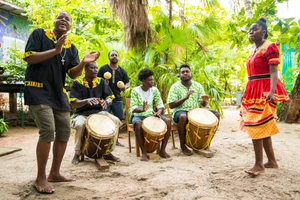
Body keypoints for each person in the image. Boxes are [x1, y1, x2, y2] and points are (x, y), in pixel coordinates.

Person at [22, 11, 100, 194]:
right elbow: (30, 57)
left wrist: (82, 62)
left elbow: (73, 74)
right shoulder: (39, 34)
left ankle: (55, 173)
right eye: (60, 17)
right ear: (55, 22)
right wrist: (56, 50)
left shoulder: (70, 47)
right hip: (38, 90)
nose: (64, 20)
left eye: (68, 19)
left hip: (58, 94)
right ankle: (40, 178)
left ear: (70, 26)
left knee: (64, 131)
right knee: (48, 130)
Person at [241, 18, 290, 177]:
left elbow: (274, 71)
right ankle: (272, 161)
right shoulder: (253, 50)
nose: (251, 32)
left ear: (263, 31)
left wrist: (272, 91)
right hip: (253, 90)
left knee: (255, 125)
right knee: (262, 125)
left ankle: (258, 164)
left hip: (265, 90)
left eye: (254, 29)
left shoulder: (270, 46)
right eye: (250, 30)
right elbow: (252, 74)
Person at [70, 61, 121, 164]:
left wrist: (106, 102)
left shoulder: (101, 81)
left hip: (99, 113)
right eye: (92, 68)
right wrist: (86, 101)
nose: (95, 70)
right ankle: (77, 153)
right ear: (85, 70)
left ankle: (107, 152)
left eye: (96, 68)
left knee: (116, 121)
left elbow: (110, 97)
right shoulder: (77, 83)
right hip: (82, 114)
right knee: (80, 125)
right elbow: (74, 103)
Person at [167, 64, 220, 156]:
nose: (185, 73)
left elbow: (202, 104)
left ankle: (206, 144)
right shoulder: (175, 87)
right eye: (182, 72)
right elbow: (171, 105)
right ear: (179, 75)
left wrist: (204, 101)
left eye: (187, 71)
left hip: (196, 112)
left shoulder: (197, 86)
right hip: (180, 111)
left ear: (191, 73)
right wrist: (185, 97)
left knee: (216, 115)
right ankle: (183, 146)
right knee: (183, 116)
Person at [130, 68, 171, 161]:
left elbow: (160, 105)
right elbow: (133, 108)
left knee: (168, 121)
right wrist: (142, 109)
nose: (152, 81)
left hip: (152, 115)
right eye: (150, 80)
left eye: (153, 79)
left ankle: (162, 150)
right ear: (143, 80)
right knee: (138, 124)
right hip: (139, 115)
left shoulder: (154, 90)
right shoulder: (135, 91)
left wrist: (158, 113)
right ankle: (144, 152)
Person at [98, 50, 130, 146]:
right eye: (112, 55)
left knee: (118, 119)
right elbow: (97, 80)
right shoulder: (103, 69)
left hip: (117, 98)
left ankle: (115, 140)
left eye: (116, 55)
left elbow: (128, 82)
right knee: (105, 118)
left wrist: (125, 87)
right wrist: (103, 83)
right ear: (109, 57)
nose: (114, 56)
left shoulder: (122, 71)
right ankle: (105, 139)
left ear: (118, 57)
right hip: (105, 98)